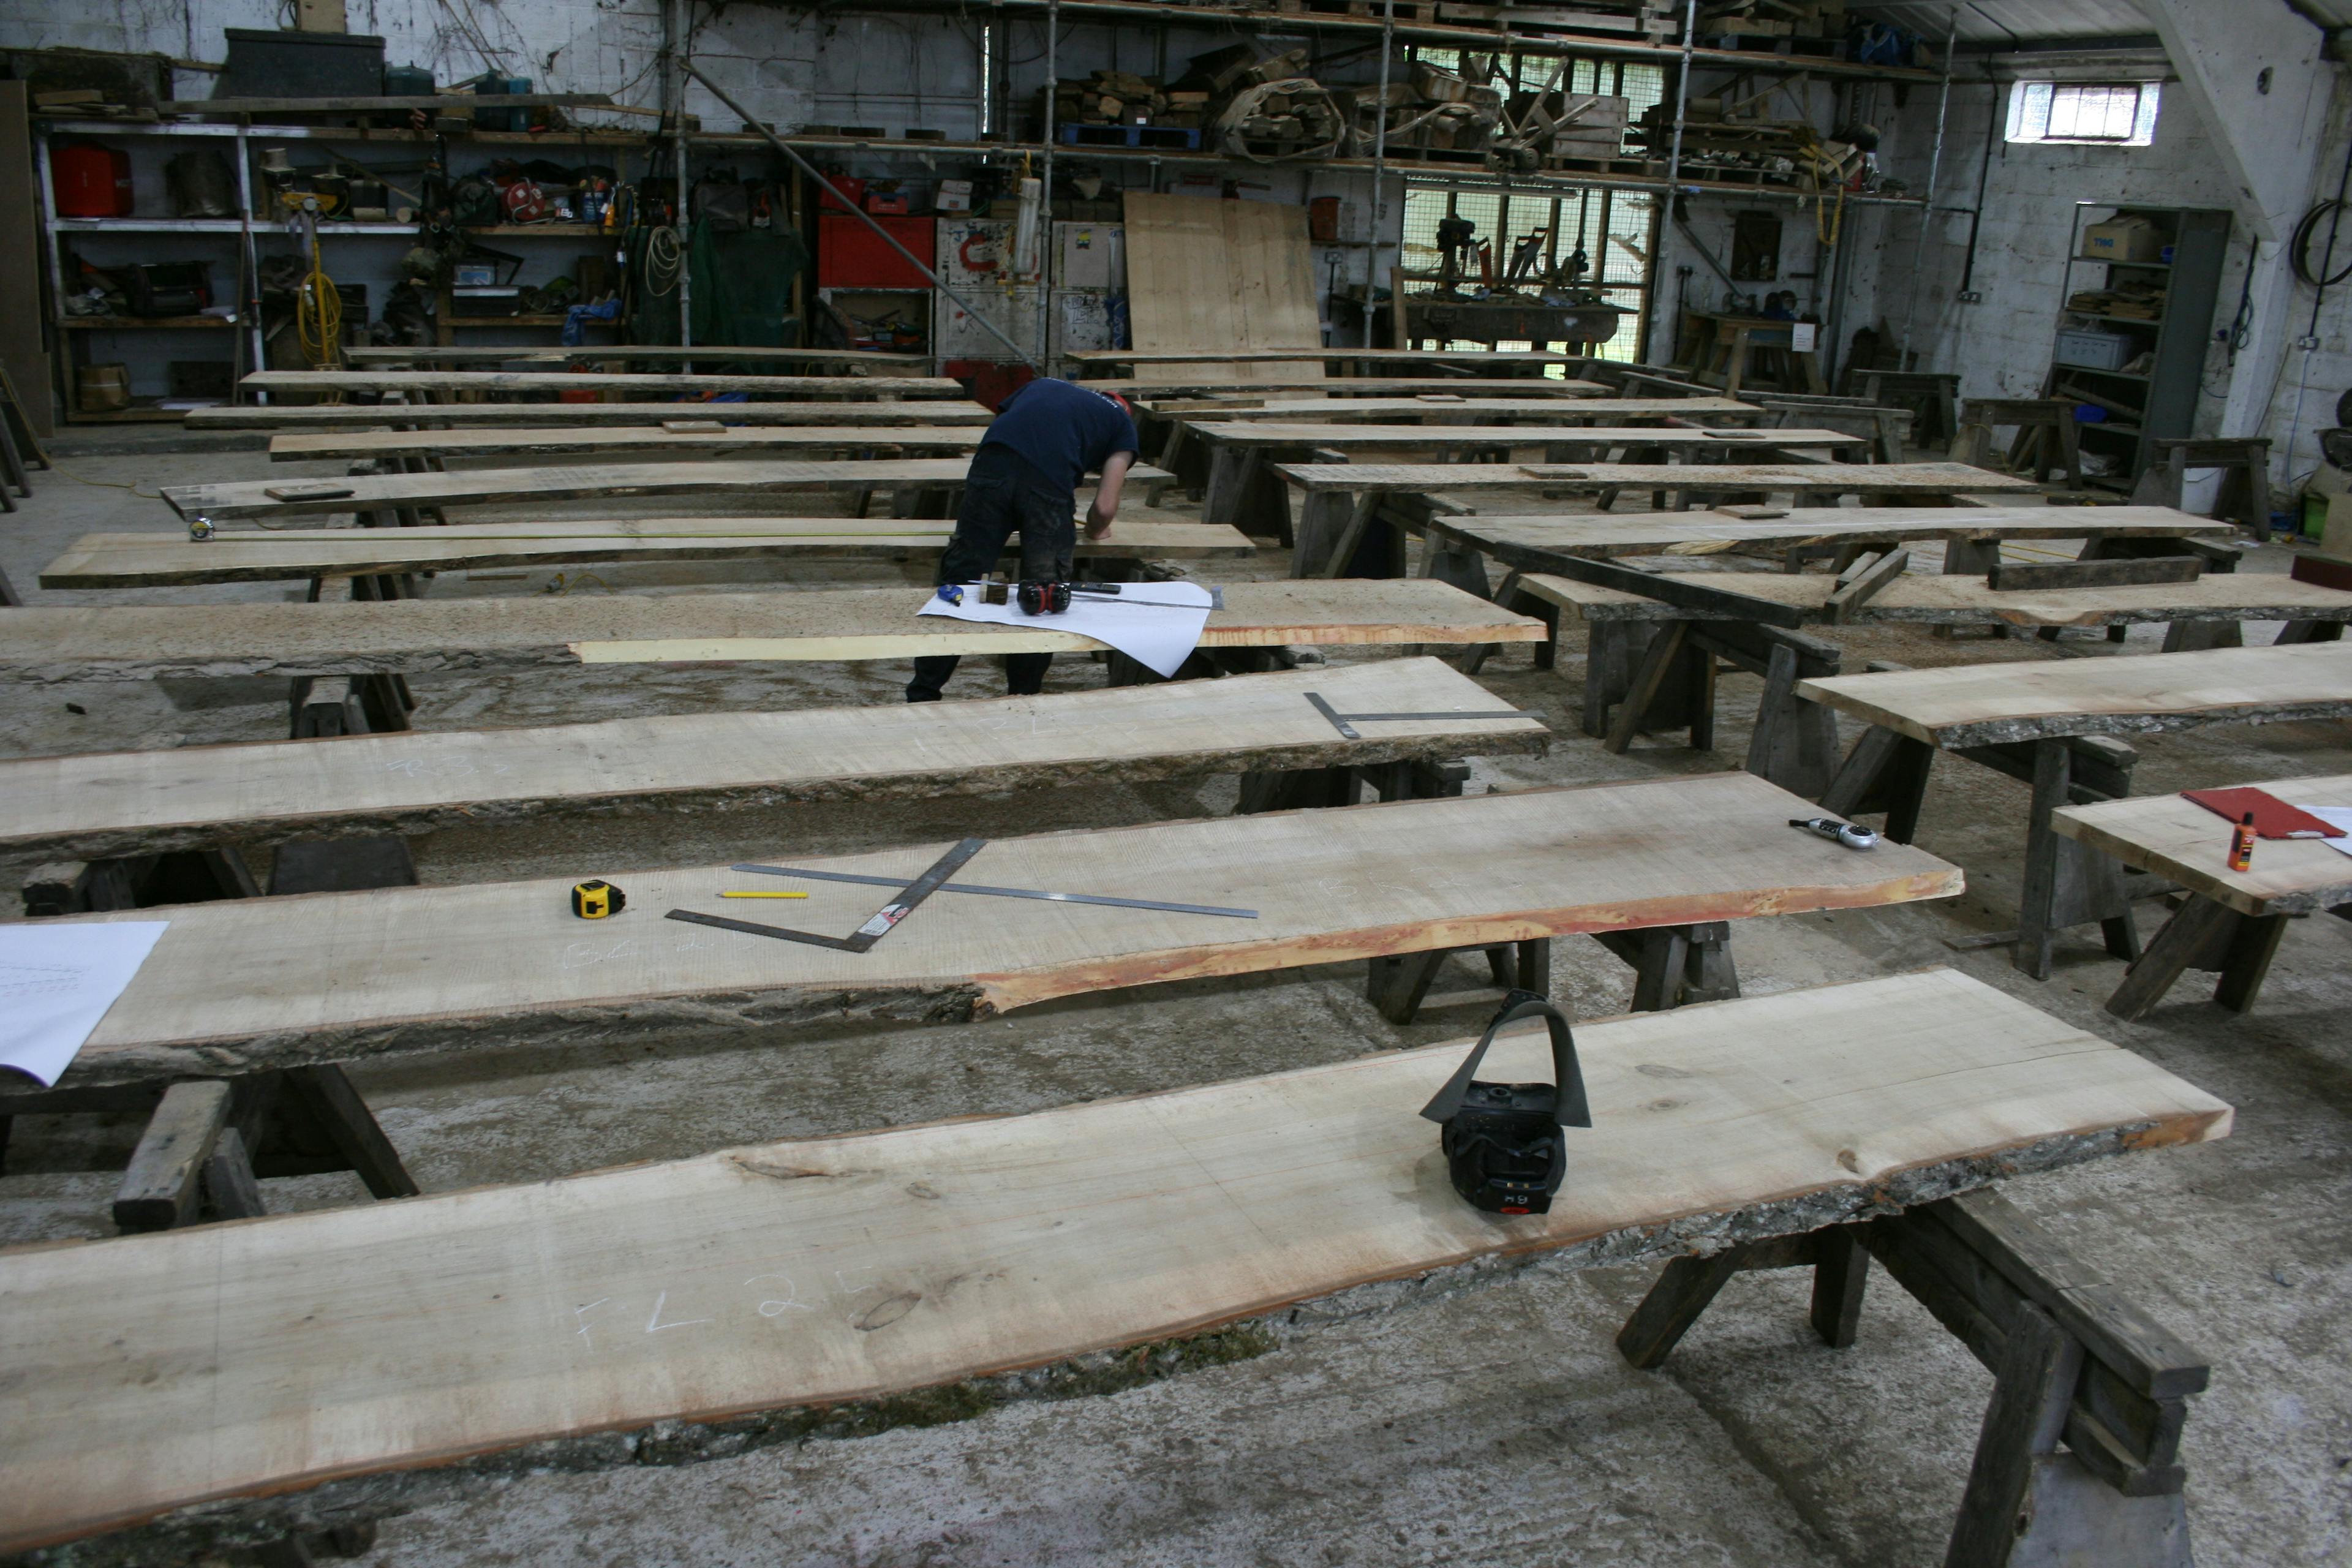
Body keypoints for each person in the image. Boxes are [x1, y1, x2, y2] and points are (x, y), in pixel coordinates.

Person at [906, 377, 1140, 702]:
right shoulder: (1122, 425)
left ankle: (923, 691)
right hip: (1048, 484)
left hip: (991, 465)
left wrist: (1008, 507)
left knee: (958, 587)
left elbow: (1008, 431)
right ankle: (1021, 698)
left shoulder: (1043, 384)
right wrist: (1097, 529)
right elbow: (1104, 507)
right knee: (1043, 596)